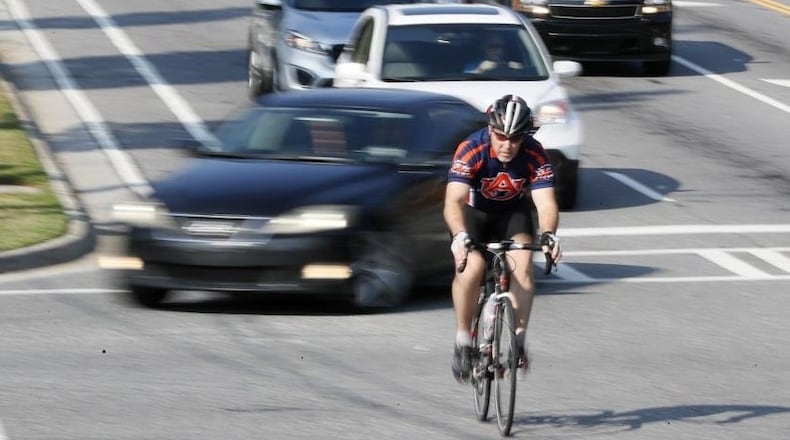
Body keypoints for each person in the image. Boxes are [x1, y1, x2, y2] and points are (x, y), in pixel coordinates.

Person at [443, 94, 562, 383]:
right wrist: (459, 236)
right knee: (472, 268)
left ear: (525, 136)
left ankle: (519, 339)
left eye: (515, 138)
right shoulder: (472, 148)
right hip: (474, 215)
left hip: (511, 215)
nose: (507, 144)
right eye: (501, 136)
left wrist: (549, 235)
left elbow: (546, 203)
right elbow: (453, 201)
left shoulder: (534, 153)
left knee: (523, 267)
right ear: (490, 130)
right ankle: (463, 340)